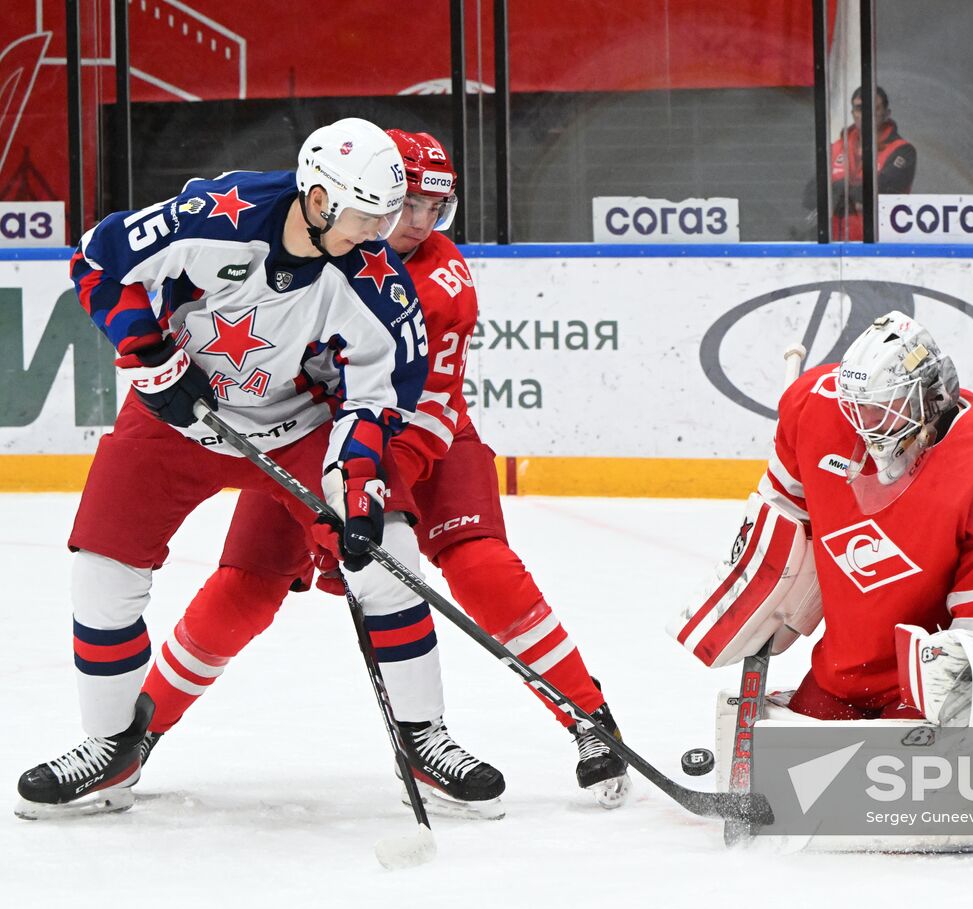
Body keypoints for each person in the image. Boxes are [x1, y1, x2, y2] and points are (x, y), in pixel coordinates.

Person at [15, 117, 504, 819]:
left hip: (299, 423)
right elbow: (97, 258)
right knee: (101, 573)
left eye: (385, 216)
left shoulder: (376, 280)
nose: (377, 233)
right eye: (365, 215)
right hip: (176, 413)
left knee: (389, 551)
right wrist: (151, 355)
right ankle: (109, 752)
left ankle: (425, 739)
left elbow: (378, 395)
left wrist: (358, 487)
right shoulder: (218, 215)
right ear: (318, 196)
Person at [135, 129, 631, 810]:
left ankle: (589, 719)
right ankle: (134, 732)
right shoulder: (306, 247)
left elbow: (424, 412)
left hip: (421, 444)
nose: (419, 224)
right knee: (244, 586)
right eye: (407, 207)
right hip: (310, 436)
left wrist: (357, 507)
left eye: (435, 208)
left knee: (481, 565)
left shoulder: (441, 281)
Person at [673, 311, 973, 727]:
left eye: (884, 408)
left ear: (932, 395)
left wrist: (966, 678)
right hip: (856, 664)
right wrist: (760, 587)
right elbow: (782, 521)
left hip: (956, 661)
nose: (864, 425)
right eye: (857, 408)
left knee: (906, 771)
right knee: (797, 753)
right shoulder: (813, 407)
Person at [825, 86, 917, 241]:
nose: (866, 115)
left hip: (882, 245)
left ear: (887, 114)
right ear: (853, 114)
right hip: (837, 244)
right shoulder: (835, 148)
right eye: (860, 108)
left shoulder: (902, 151)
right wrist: (855, 194)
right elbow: (811, 195)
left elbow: (882, 190)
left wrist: (839, 190)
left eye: (874, 109)